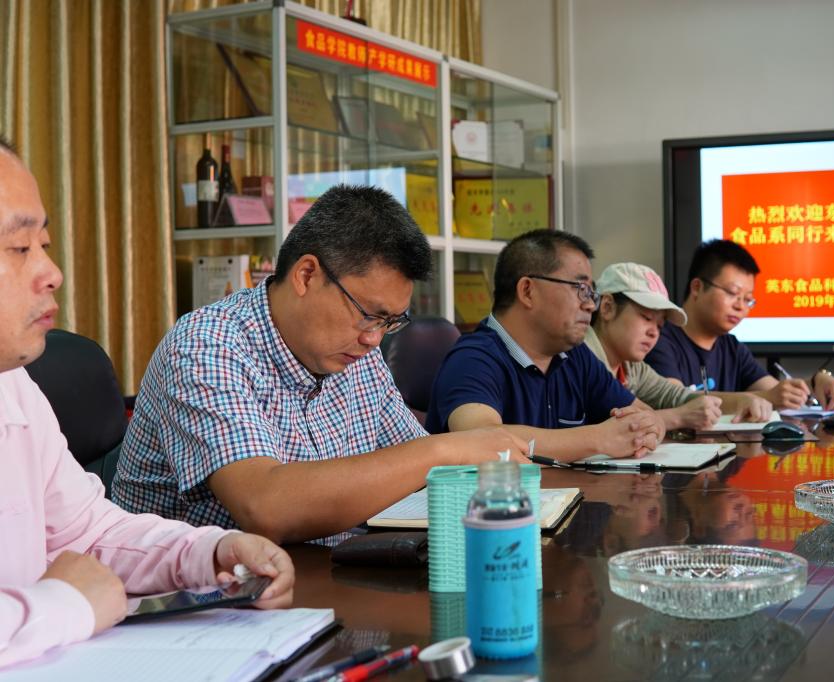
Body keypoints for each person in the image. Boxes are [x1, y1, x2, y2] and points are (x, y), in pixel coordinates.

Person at [0, 138, 294, 668]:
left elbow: (90, 533)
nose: (52, 272)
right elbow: (75, 589)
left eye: (44, 242)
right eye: (20, 248)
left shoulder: (12, 384)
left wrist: (211, 552)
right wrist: (63, 606)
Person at [112, 184, 527, 547]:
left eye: (389, 322)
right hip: (201, 600)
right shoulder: (207, 345)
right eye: (369, 315)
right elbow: (265, 506)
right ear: (307, 275)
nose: (374, 338)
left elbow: (411, 467)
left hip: (320, 579)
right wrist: (444, 449)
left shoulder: (356, 352)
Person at [425, 230, 663, 461]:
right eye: (581, 289)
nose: (591, 305)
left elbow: (643, 416)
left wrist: (651, 427)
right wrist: (599, 439)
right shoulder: (472, 359)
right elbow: (482, 442)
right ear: (528, 291)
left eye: (592, 293)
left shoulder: (575, 356)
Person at [645, 239, 834, 409]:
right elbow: (675, 400)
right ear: (697, 287)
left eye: (748, 299)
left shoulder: (732, 347)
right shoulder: (658, 340)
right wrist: (766, 398)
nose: (740, 306)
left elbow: (776, 390)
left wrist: (815, 382)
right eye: (732, 293)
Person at [586, 262, 774, 429]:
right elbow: (616, 427)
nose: (654, 333)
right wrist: (678, 417)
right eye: (646, 318)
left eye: (659, 325)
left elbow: (678, 397)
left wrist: (741, 401)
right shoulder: (582, 357)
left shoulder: (632, 367)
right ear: (607, 307)